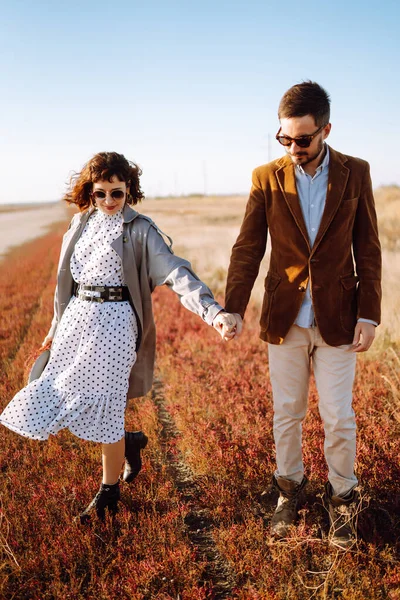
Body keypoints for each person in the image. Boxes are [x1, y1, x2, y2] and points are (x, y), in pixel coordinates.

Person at [0, 151, 237, 523]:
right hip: (76, 322)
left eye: (117, 193)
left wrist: (214, 312)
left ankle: (108, 495)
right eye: (101, 193)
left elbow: (176, 272)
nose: (109, 201)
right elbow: (66, 285)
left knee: (107, 406)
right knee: (60, 396)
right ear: (89, 193)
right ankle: (128, 442)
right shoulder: (79, 224)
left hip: (115, 327)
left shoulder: (140, 229)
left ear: (130, 192)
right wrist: (53, 328)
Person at [224, 81, 382, 548]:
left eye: (303, 139)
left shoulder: (357, 173)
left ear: (326, 130)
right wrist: (233, 307)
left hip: (339, 319)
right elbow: (248, 247)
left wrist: (369, 315)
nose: (293, 148)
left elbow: (368, 248)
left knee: (338, 416)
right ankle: (288, 490)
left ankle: (343, 499)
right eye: (284, 138)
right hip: (285, 318)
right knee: (287, 413)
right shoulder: (265, 176)